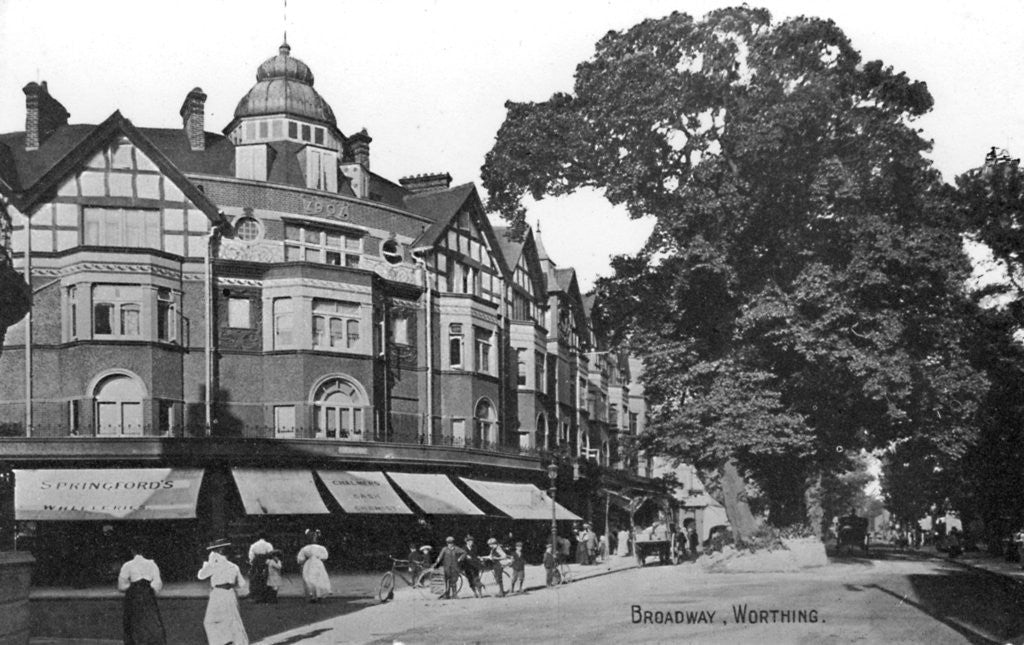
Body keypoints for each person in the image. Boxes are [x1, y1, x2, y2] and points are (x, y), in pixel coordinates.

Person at [197, 538, 249, 645]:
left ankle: (221, 642)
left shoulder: (214, 565)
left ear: (218, 551)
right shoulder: (234, 566)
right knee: (233, 620)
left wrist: (207, 564)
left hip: (218, 594)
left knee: (211, 621)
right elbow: (242, 583)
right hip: (230, 594)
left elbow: (201, 576)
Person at [117, 539, 166, 645]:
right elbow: (157, 583)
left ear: (132, 551)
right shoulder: (151, 564)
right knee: (151, 623)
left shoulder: (128, 565)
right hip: (148, 596)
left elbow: (121, 586)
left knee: (133, 623)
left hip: (133, 597)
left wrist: (132, 587)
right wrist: (149, 589)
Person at [296, 530, 331, 603]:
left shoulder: (305, 548)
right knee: (318, 579)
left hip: (309, 564)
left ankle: (313, 595)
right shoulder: (321, 548)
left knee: (309, 579)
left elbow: (300, 559)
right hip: (317, 563)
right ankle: (318, 595)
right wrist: (319, 558)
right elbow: (325, 556)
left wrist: (303, 561)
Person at [247, 532, 274, 603]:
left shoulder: (254, 545)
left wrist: (252, 563)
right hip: (265, 562)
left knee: (255, 578)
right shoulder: (268, 545)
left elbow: (251, 556)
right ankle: (265, 596)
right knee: (266, 578)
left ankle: (255, 595)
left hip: (256, 563)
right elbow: (271, 554)